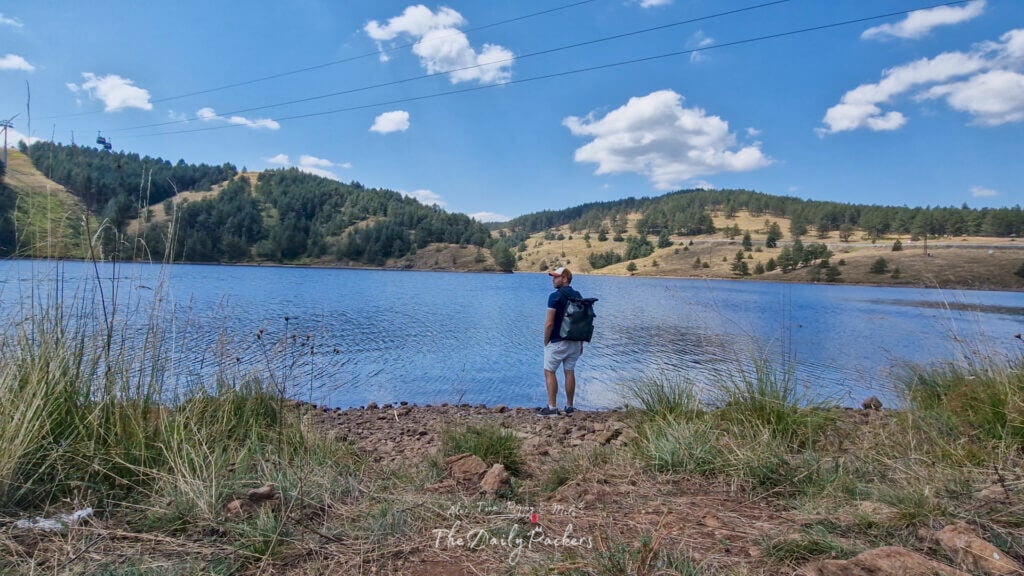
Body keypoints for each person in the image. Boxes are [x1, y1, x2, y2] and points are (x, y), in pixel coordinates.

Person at [540, 266, 583, 415]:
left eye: (556, 277)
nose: (553, 279)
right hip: (575, 342)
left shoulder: (554, 296)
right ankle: (569, 407)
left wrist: (546, 341)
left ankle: (552, 407)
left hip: (557, 341)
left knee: (549, 372)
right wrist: (581, 343)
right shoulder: (578, 295)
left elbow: (549, 324)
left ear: (564, 278)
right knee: (569, 372)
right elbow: (581, 321)